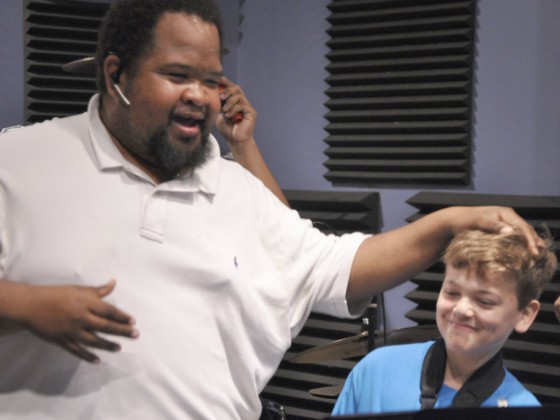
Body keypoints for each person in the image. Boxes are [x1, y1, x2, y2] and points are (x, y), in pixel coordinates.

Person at [0, 0, 541, 418]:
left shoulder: (236, 190)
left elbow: (341, 266)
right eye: (177, 75)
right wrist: (23, 303)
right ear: (116, 73)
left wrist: (447, 220)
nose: (200, 95)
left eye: (211, 80)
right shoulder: (19, 161)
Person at [332, 228, 557, 416]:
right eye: (452, 292)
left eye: (485, 301)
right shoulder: (375, 370)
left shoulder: (524, 410)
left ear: (525, 315)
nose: (461, 309)